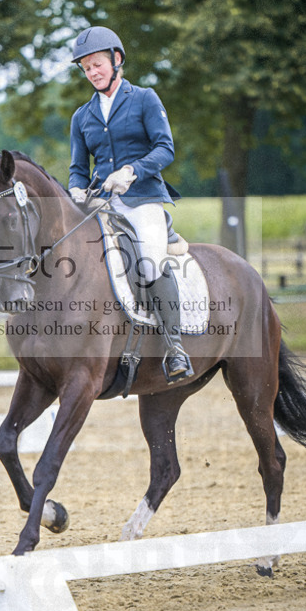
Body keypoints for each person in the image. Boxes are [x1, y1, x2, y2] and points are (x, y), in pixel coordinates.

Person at [68, 25, 193, 382]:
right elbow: (78, 168)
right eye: (86, 68)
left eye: (97, 64)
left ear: (116, 60)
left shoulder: (144, 99)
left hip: (142, 199)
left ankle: (174, 348)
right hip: (101, 205)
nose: (92, 72)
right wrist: (75, 190)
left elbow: (165, 148)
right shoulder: (82, 116)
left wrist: (131, 171)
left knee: (150, 261)